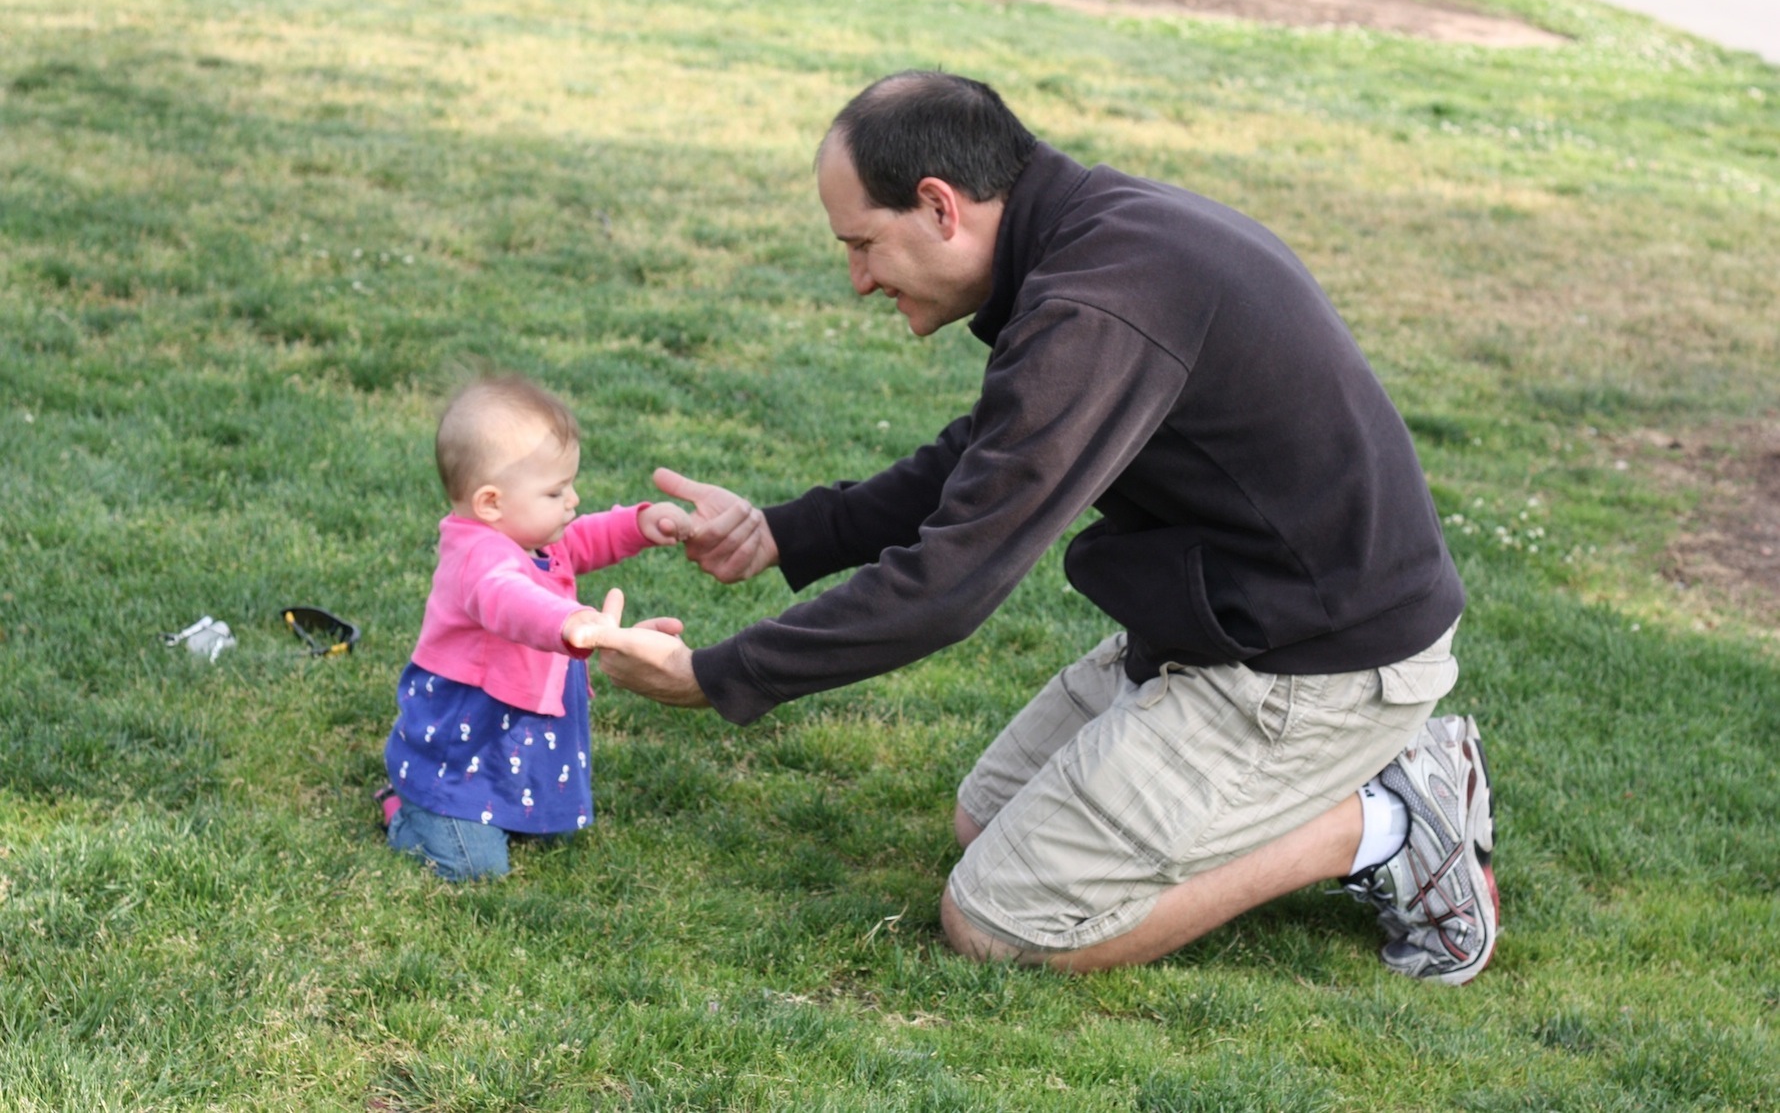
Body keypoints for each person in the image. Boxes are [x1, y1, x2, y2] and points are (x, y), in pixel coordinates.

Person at [593, 71, 1498, 983]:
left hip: (1319, 659)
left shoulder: (1099, 301)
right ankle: (1352, 787)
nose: (859, 280)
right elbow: (995, 449)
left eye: (863, 244)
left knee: (1003, 924)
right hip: (1234, 620)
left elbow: (948, 585)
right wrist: (788, 533)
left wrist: (716, 675)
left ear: (939, 206)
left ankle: (1388, 820)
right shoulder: (1090, 239)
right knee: (981, 822)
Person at [378, 373, 689, 882]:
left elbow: (582, 539)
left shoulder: (530, 536)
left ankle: (500, 806)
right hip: (468, 735)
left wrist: (637, 525)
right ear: (491, 503)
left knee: (550, 829)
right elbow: (509, 599)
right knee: (474, 867)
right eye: (555, 491)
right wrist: (568, 619)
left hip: (515, 719)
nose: (573, 500)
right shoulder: (478, 557)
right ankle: (409, 811)